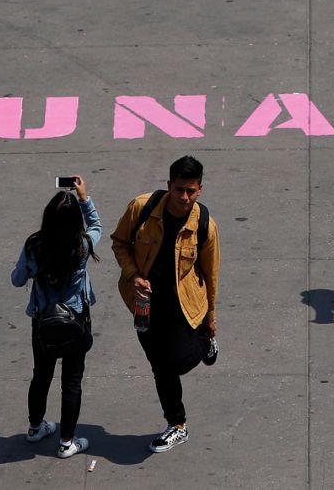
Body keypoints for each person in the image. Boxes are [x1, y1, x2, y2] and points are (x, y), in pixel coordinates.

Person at [111, 155, 220, 453]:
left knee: (178, 361)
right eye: (179, 189)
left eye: (191, 191)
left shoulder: (205, 227)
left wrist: (211, 320)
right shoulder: (141, 208)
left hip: (184, 304)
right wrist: (133, 275)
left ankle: (205, 343)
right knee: (159, 365)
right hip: (143, 303)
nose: (184, 197)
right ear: (169, 185)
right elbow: (119, 242)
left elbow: (211, 275)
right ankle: (177, 424)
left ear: (200, 190)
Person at [11, 176, 102, 458]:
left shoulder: (35, 246)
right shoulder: (83, 246)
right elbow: (97, 226)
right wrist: (84, 198)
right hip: (75, 321)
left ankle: (36, 427)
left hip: (43, 322)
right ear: (76, 223)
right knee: (71, 381)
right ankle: (66, 441)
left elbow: (17, 279)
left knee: (42, 374)